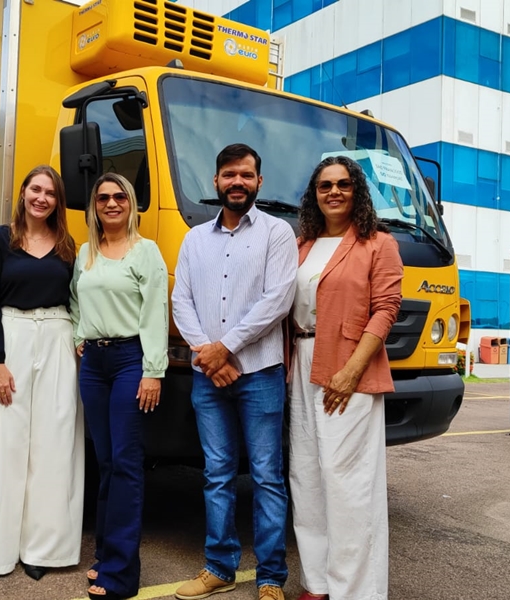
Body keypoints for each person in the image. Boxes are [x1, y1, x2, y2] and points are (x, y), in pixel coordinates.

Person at [171, 143, 297, 600]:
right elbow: (180, 301)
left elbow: (278, 301)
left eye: (246, 175)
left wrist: (225, 349)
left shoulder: (277, 233)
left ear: (259, 182)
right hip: (209, 376)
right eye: (229, 175)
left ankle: (269, 579)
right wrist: (208, 354)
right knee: (217, 473)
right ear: (216, 181)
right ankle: (219, 568)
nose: (237, 182)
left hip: (260, 373)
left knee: (266, 476)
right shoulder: (194, 239)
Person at [288, 155, 403, 600]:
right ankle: (317, 583)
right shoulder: (303, 244)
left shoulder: (378, 243)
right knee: (307, 476)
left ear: (356, 190)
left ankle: (356, 591)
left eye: (343, 184)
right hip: (300, 360)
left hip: (347, 366)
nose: (333, 192)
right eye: (324, 186)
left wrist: (352, 370)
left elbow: (387, 309)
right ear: (314, 194)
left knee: (348, 483)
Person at [0, 165, 84, 580]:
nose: (42, 198)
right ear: (22, 193)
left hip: (57, 338)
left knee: (54, 445)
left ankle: (43, 550)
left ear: (58, 200)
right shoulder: (0, 238)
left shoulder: (70, 245)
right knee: (5, 444)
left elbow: (78, 301)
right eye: (35, 189)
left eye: (50, 193)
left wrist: (82, 339)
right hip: (11, 338)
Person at [70, 173, 169, 600]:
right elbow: (76, 299)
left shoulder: (146, 253)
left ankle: (122, 574)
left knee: (127, 464)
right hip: (93, 362)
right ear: (94, 207)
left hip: (131, 360)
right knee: (105, 461)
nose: (111, 204)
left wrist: (153, 370)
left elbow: (155, 313)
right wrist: (78, 335)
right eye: (103, 198)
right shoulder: (85, 253)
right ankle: (106, 556)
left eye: (119, 197)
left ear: (130, 204)